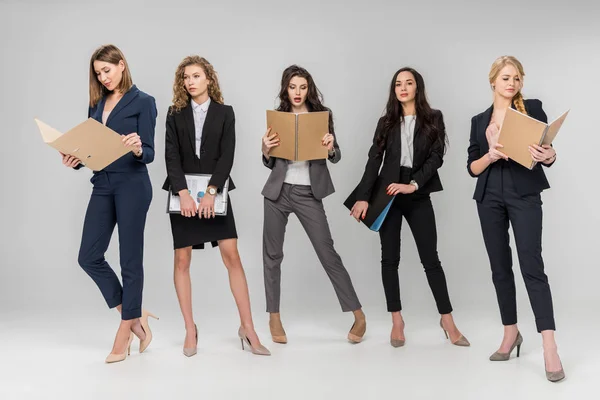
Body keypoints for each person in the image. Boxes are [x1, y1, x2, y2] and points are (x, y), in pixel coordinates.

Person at [350, 67, 469, 348]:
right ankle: (397, 321)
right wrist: (363, 196)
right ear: (394, 90)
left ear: (418, 87)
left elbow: (437, 158)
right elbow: (373, 160)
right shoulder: (386, 122)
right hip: (388, 194)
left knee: (431, 260)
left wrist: (413, 184)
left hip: (417, 191)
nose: (403, 88)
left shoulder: (433, 118)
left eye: (409, 83)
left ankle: (448, 320)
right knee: (389, 259)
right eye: (398, 84)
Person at [163, 55, 269, 357]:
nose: (190, 81)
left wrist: (211, 191)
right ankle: (190, 329)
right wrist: (182, 192)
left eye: (195, 76)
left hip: (215, 193)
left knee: (231, 254)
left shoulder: (226, 113)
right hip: (182, 195)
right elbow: (171, 155)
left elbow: (227, 155)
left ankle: (248, 328)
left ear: (209, 79)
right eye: (185, 77)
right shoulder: (174, 113)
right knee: (182, 260)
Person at [467, 55, 564, 382]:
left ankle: (549, 346)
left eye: (517, 78)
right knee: (499, 268)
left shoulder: (532, 109)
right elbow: (472, 168)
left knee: (532, 266)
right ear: (493, 81)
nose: (512, 83)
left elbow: (547, 150)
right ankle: (511, 333)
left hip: (524, 194)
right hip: (489, 195)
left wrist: (549, 155)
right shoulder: (479, 121)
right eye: (506, 77)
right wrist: (491, 154)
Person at [63, 44, 157, 363]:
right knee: (88, 256)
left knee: (130, 260)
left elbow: (150, 152)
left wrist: (137, 148)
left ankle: (124, 331)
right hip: (102, 183)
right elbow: (91, 148)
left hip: (132, 184)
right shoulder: (96, 104)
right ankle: (134, 314)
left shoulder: (144, 102)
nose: (103, 77)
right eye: (98, 73)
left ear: (121, 65)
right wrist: (74, 159)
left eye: (107, 70)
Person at [261, 65, 366, 344]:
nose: (297, 92)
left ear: (309, 89)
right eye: (293, 87)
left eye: (303, 87)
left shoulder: (322, 115)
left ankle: (358, 314)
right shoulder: (278, 116)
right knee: (272, 257)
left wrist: (331, 146)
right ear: (286, 88)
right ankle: (274, 316)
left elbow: (335, 155)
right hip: (277, 192)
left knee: (327, 252)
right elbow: (269, 160)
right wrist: (265, 150)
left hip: (309, 192)